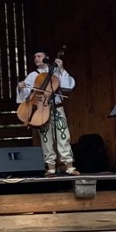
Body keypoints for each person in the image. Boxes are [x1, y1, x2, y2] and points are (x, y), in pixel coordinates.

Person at [18, 48, 77, 176]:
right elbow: (26, 96)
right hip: (41, 109)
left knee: (63, 135)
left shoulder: (56, 72)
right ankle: (50, 166)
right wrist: (21, 88)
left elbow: (68, 86)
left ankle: (69, 165)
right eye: (35, 57)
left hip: (57, 107)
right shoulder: (33, 75)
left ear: (46, 58)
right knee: (46, 138)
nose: (36, 59)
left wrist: (61, 69)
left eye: (39, 56)